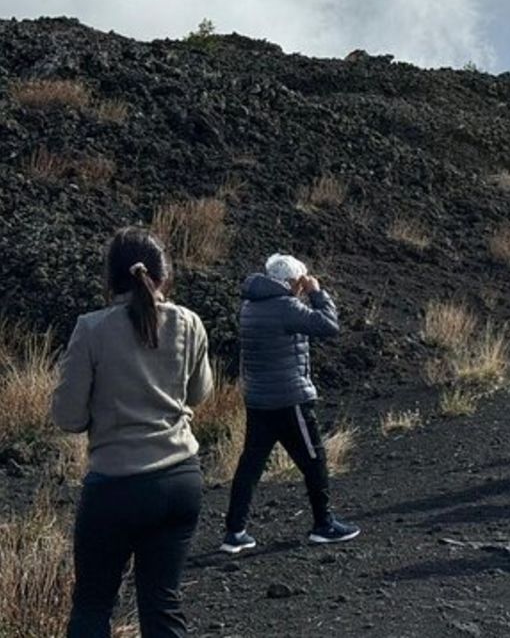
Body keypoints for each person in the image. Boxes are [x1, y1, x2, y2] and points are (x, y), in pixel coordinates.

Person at [52, 227, 212, 637]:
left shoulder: (91, 329)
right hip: (179, 481)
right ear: (164, 275)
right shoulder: (189, 322)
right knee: (162, 604)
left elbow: (68, 417)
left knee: (92, 605)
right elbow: (201, 393)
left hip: (115, 486)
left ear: (112, 278)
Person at [222, 254, 358, 554]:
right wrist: (316, 292)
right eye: (300, 280)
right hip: (289, 399)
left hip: (259, 399)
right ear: (292, 281)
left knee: (251, 465)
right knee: (314, 460)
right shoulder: (286, 306)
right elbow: (328, 326)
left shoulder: (249, 306)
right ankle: (324, 525)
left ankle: (235, 531)